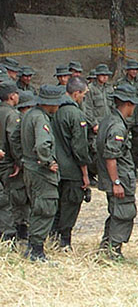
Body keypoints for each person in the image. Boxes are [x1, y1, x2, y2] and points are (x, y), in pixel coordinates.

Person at [21, 85, 66, 261]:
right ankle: (36, 251)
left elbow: (17, 140)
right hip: (40, 172)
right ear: (51, 103)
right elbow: (42, 145)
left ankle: (32, 247)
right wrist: (48, 162)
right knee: (45, 208)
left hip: (29, 168)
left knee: (36, 207)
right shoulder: (41, 119)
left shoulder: (29, 115)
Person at [96, 84, 138, 259]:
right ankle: (113, 251)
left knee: (115, 212)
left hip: (116, 176)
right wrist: (116, 182)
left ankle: (106, 246)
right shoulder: (117, 127)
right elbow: (110, 156)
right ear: (128, 104)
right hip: (120, 177)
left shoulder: (108, 120)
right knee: (124, 213)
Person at [51, 77, 91, 249]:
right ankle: (64, 240)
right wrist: (85, 173)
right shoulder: (75, 114)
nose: (83, 98)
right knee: (71, 204)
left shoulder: (53, 109)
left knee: (55, 204)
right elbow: (80, 148)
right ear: (76, 94)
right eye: (83, 95)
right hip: (71, 169)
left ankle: (52, 236)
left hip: (54, 167)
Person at [6, 90, 36, 242]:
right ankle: (18, 232)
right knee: (20, 200)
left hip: (13, 164)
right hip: (18, 166)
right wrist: (20, 161)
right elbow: (14, 141)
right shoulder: (20, 119)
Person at [114, 60, 138, 168]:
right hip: (126, 119)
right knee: (124, 143)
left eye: (136, 69)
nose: (134, 72)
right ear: (127, 70)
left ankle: (134, 166)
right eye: (132, 69)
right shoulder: (120, 83)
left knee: (137, 144)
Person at [0, 83, 20, 242]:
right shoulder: (12, 115)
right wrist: (19, 161)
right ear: (12, 96)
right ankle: (8, 235)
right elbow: (13, 140)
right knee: (8, 200)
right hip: (7, 162)